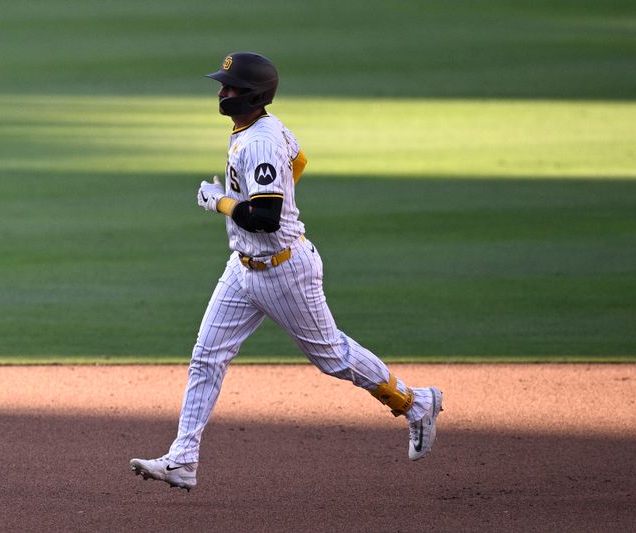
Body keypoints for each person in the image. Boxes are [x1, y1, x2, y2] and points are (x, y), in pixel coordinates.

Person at [130, 52, 442, 491]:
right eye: (223, 84)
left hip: (283, 271)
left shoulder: (259, 140)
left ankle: (415, 403)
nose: (222, 92)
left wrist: (218, 201)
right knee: (207, 355)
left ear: (253, 95)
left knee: (331, 356)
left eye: (231, 87)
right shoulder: (261, 132)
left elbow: (266, 218)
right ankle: (183, 459)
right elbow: (298, 161)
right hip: (242, 269)